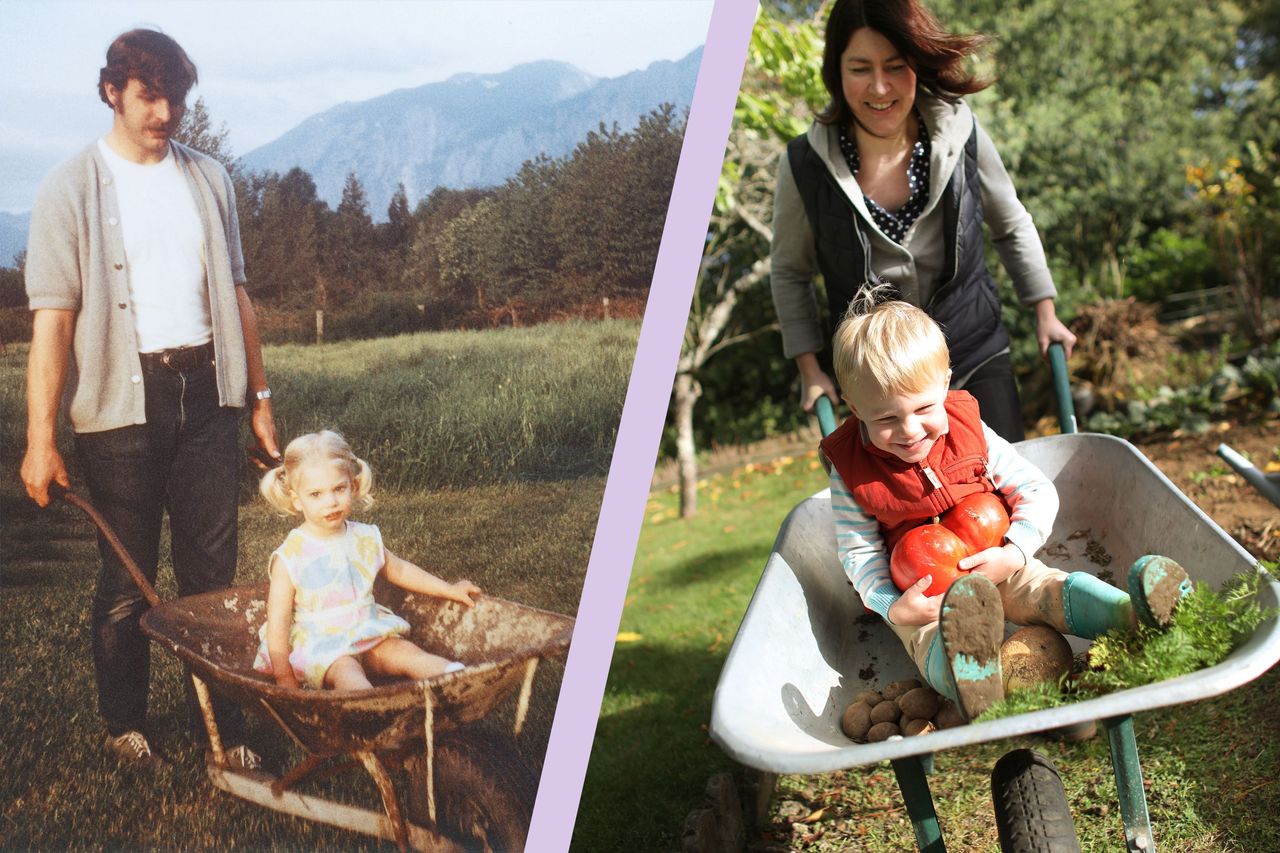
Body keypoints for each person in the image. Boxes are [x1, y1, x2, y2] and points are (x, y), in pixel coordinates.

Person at [20, 29, 279, 770]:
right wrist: (42, 438)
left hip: (210, 395)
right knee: (127, 575)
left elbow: (238, 293)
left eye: (175, 98)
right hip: (123, 404)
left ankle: (226, 730)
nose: (165, 112)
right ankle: (124, 726)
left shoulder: (210, 179)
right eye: (148, 96)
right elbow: (53, 323)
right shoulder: (69, 187)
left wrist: (258, 397)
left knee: (213, 577)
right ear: (113, 92)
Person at [821, 293, 1190, 719]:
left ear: (945, 383)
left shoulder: (970, 430)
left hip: (994, 555)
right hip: (924, 593)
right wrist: (891, 604)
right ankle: (975, 680)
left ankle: (1130, 614)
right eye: (885, 419)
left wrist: (1013, 552)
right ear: (853, 407)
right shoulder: (850, 469)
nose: (908, 431)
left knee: (1044, 588)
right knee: (926, 638)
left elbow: (1035, 490)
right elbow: (859, 550)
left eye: (924, 408)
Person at [771, 0, 1077, 443]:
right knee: (908, 510)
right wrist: (809, 368)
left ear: (917, 63)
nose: (879, 87)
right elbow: (789, 271)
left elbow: (1010, 222)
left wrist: (1044, 311)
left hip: (973, 350)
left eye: (895, 66)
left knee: (1002, 490)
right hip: (878, 380)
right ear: (835, 72)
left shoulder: (960, 131)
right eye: (860, 69)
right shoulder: (804, 165)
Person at [254, 431, 482, 691]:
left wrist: (448, 588)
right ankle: (367, 706)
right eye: (316, 494)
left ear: (353, 486)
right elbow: (278, 619)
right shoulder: (291, 555)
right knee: (346, 671)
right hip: (323, 644)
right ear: (297, 499)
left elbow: (400, 570)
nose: (331, 502)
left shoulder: (365, 537)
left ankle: (453, 679)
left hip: (367, 629)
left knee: (403, 651)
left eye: (339, 489)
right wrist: (284, 675)